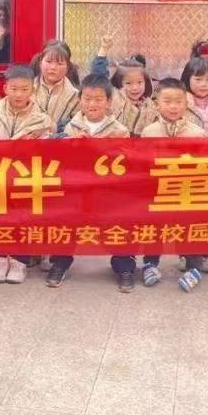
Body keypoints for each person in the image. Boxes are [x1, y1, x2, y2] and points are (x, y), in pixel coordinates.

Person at [46, 73, 130, 288]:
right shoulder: (69, 127)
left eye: (98, 99)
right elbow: (54, 154)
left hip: (108, 190)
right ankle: (60, 263)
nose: (92, 104)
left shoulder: (119, 130)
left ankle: (124, 267)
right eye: (87, 99)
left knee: (117, 224)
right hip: (75, 189)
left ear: (108, 102)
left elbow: (128, 161)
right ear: (80, 99)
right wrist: (69, 143)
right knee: (67, 223)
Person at [0, 64, 54, 284]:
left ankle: (20, 262)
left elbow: (49, 146)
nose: (19, 94)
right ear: (5, 88)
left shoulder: (41, 118)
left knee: (23, 218)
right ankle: (1, 259)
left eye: (24, 89)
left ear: (33, 90)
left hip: (26, 176)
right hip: (0, 174)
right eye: (14, 89)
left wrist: (34, 144)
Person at [136, 78, 206, 289]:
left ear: (187, 103)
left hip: (187, 191)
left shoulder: (197, 133)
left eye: (178, 101)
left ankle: (193, 266)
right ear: (157, 104)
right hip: (157, 191)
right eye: (167, 101)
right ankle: (150, 263)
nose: (173, 106)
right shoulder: (148, 132)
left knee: (190, 227)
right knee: (154, 227)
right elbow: (141, 163)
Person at [91, 35, 157, 135]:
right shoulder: (114, 98)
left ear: (146, 82)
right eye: (128, 83)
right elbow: (98, 77)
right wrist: (104, 49)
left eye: (139, 82)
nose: (135, 88)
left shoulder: (150, 106)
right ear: (119, 83)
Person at [32, 41, 80, 130]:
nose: (53, 67)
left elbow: (77, 126)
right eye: (49, 61)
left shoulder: (75, 95)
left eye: (59, 63)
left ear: (67, 67)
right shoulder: (28, 89)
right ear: (40, 62)